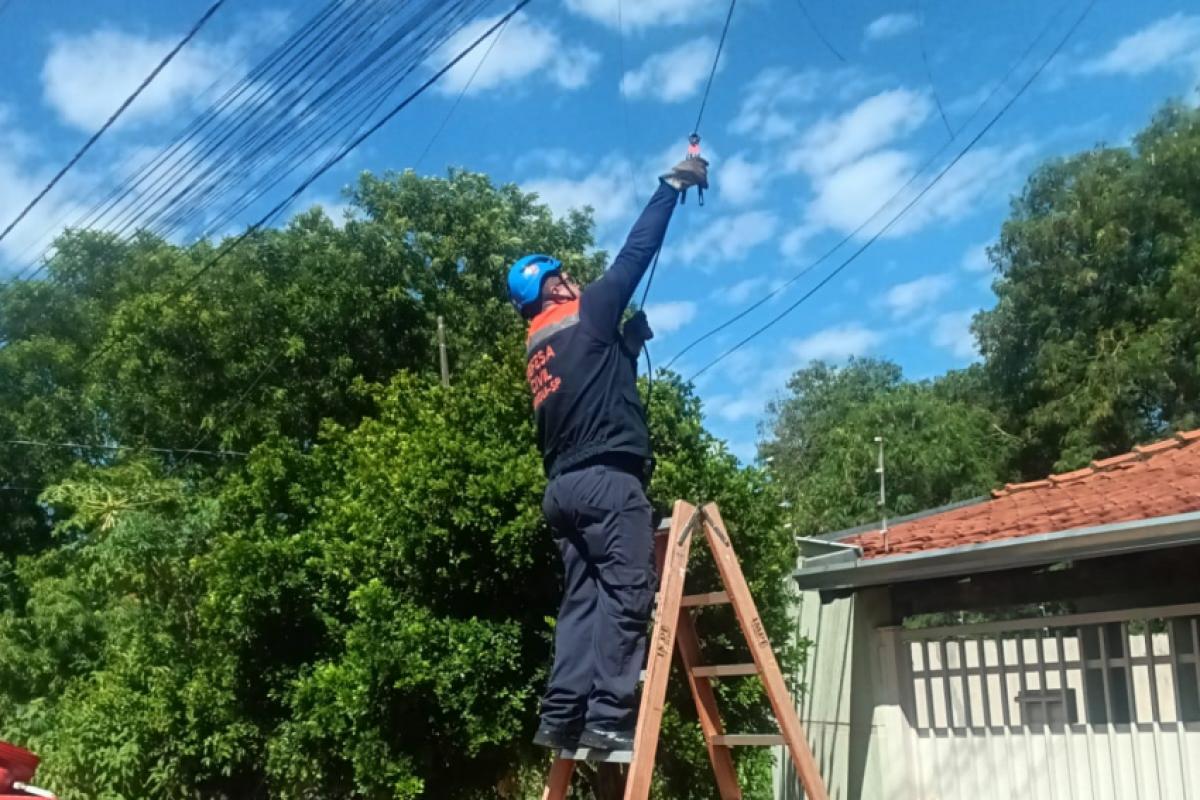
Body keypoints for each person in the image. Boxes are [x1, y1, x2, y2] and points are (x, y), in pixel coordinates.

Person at [507, 157, 710, 752]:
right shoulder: (586, 309)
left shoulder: (538, 350)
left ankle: (560, 717)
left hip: (562, 494)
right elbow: (635, 253)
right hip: (605, 485)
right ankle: (607, 718)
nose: (576, 280)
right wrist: (672, 186)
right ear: (555, 286)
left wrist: (625, 344)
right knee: (628, 590)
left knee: (581, 604)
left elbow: (592, 387)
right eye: (565, 275)